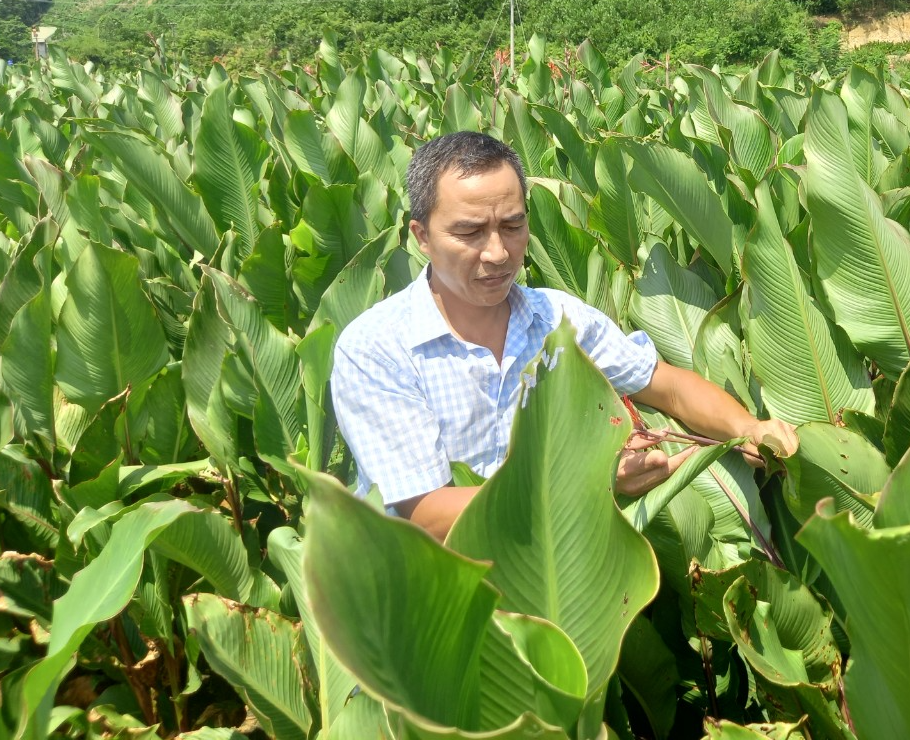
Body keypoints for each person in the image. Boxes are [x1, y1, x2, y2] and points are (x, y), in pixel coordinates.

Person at [331, 131, 797, 541]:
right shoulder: (377, 348)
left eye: (513, 226)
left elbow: (667, 385)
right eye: (470, 232)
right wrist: (592, 481)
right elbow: (425, 516)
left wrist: (749, 429)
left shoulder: (556, 316)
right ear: (422, 237)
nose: (498, 253)